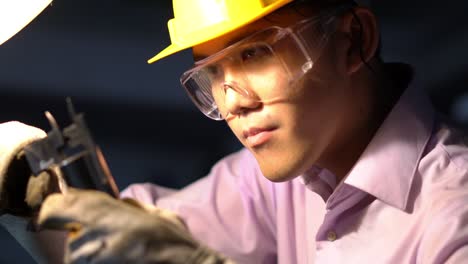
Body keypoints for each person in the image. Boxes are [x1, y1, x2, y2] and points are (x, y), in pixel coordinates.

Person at [1, 0, 468, 263]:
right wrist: (27, 194)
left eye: (255, 53)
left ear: (353, 41)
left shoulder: (453, 218)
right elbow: (123, 238)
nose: (231, 101)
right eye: (209, 73)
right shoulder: (274, 186)